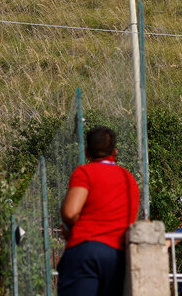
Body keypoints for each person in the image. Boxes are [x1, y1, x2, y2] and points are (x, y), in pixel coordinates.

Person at [57, 126, 140, 296]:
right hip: (116, 257)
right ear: (115, 152)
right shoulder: (129, 179)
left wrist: (74, 228)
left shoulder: (84, 172)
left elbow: (70, 213)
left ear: (87, 153)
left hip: (85, 251)